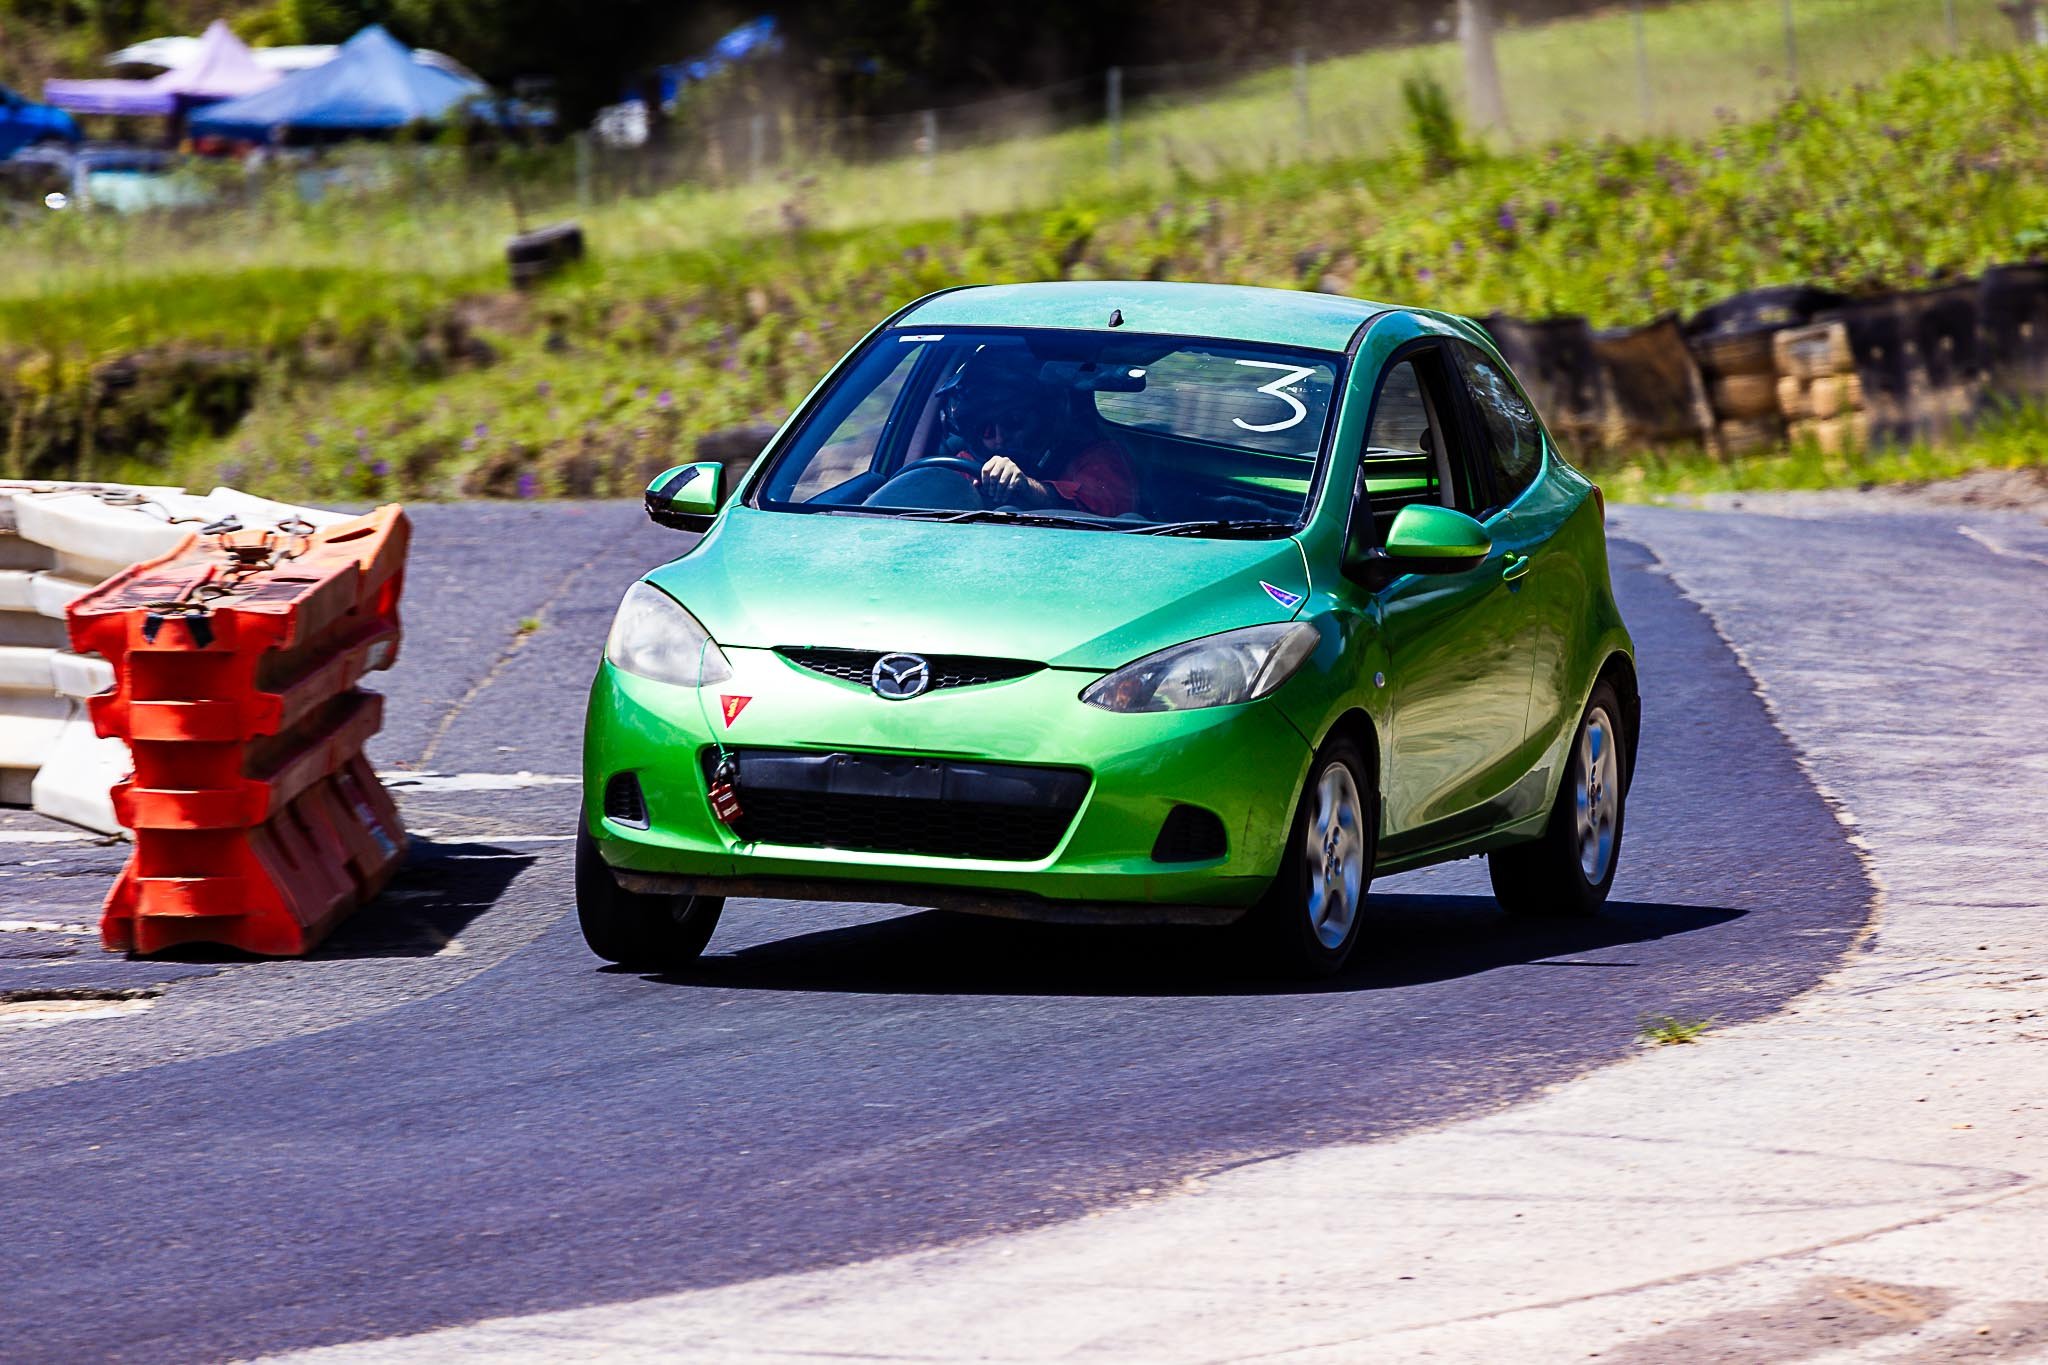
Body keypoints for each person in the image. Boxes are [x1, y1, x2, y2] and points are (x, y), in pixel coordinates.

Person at [932, 347, 1138, 517]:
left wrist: (1026, 488)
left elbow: (1107, 515)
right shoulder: (964, 463)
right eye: (985, 428)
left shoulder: (1097, 458)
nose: (999, 438)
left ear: (1045, 418)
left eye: (1014, 422)